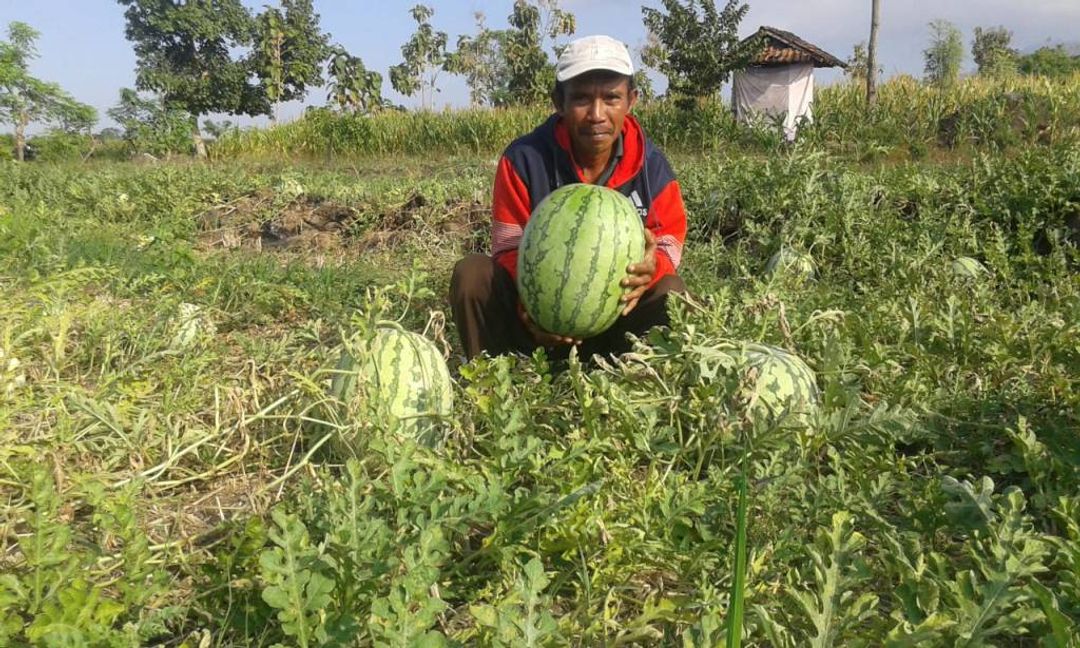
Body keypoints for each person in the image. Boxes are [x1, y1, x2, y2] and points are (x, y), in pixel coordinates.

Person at [449, 34, 688, 362]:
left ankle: (632, 376)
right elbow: (508, 250)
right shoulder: (524, 160)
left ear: (631, 100)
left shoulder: (652, 166)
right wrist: (532, 309)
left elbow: (669, 244)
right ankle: (491, 380)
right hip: (534, 323)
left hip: (617, 323)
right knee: (472, 275)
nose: (597, 114)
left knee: (673, 292)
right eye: (581, 99)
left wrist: (652, 266)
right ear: (558, 102)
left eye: (611, 98)